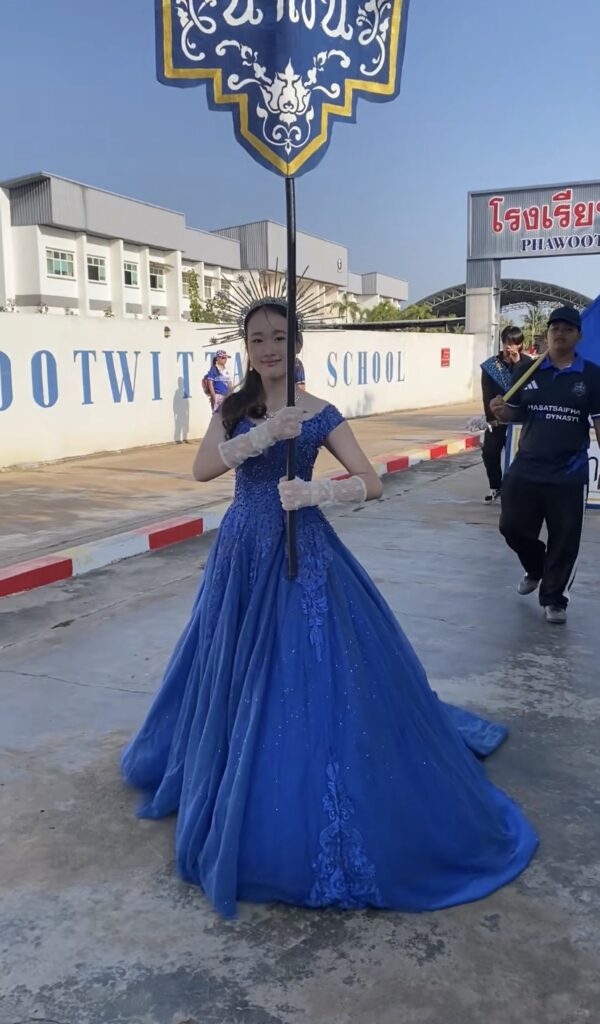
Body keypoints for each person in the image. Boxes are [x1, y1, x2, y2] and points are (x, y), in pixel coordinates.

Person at [122, 298, 537, 918]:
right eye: (257, 338)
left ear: (296, 343)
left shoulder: (320, 412)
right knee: (233, 662)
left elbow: (372, 481)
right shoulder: (233, 408)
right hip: (242, 550)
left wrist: (319, 490)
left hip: (304, 550)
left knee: (308, 668)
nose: (267, 348)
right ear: (245, 346)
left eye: (278, 337)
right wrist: (259, 437)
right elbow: (202, 468)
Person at [491, 306, 600, 625]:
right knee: (511, 527)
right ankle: (536, 568)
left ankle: (554, 599)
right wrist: (501, 411)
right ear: (547, 333)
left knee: (565, 538)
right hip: (526, 467)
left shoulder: (592, 375)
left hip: (568, 471)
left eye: (567, 329)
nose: (560, 334)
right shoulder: (528, 371)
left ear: (578, 335)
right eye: (555, 329)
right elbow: (517, 412)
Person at [480, 327, 532, 503]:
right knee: (490, 452)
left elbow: (527, 388)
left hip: (520, 418)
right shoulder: (491, 366)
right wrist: (491, 418)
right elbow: (487, 394)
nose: (508, 347)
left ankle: (520, 489)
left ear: (520, 345)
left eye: (513, 343)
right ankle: (496, 486)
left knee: (522, 454)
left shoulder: (528, 364)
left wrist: (517, 364)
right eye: (506, 343)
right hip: (498, 418)